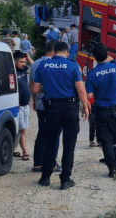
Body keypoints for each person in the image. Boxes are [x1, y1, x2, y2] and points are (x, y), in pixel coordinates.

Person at [32, 42, 90, 190]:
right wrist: (85, 106)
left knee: (50, 142)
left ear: (54, 51)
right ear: (66, 52)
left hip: (51, 108)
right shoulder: (72, 66)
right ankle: (65, 180)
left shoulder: (43, 65)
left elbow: (36, 88)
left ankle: (45, 177)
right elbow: (80, 89)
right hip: (70, 107)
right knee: (69, 145)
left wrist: (51, 88)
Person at [85, 43, 116, 178]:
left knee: (106, 141)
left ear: (94, 58)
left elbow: (89, 97)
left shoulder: (91, 75)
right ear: (107, 54)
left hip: (102, 111)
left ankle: (112, 170)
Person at [29, 40, 61, 173]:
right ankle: (52, 163)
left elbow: (32, 85)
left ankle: (37, 163)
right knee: (54, 135)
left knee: (42, 132)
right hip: (53, 103)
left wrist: (34, 100)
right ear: (54, 51)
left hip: (40, 102)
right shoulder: (56, 64)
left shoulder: (36, 63)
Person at [13, 51, 34, 160]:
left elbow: (35, 69)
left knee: (21, 129)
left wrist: (28, 58)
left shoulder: (24, 69)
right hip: (18, 107)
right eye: (21, 62)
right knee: (23, 130)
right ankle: (25, 151)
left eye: (24, 62)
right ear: (15, 61)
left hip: (26, 105)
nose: (23, 64)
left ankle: (14, 148)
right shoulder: (12, 72)